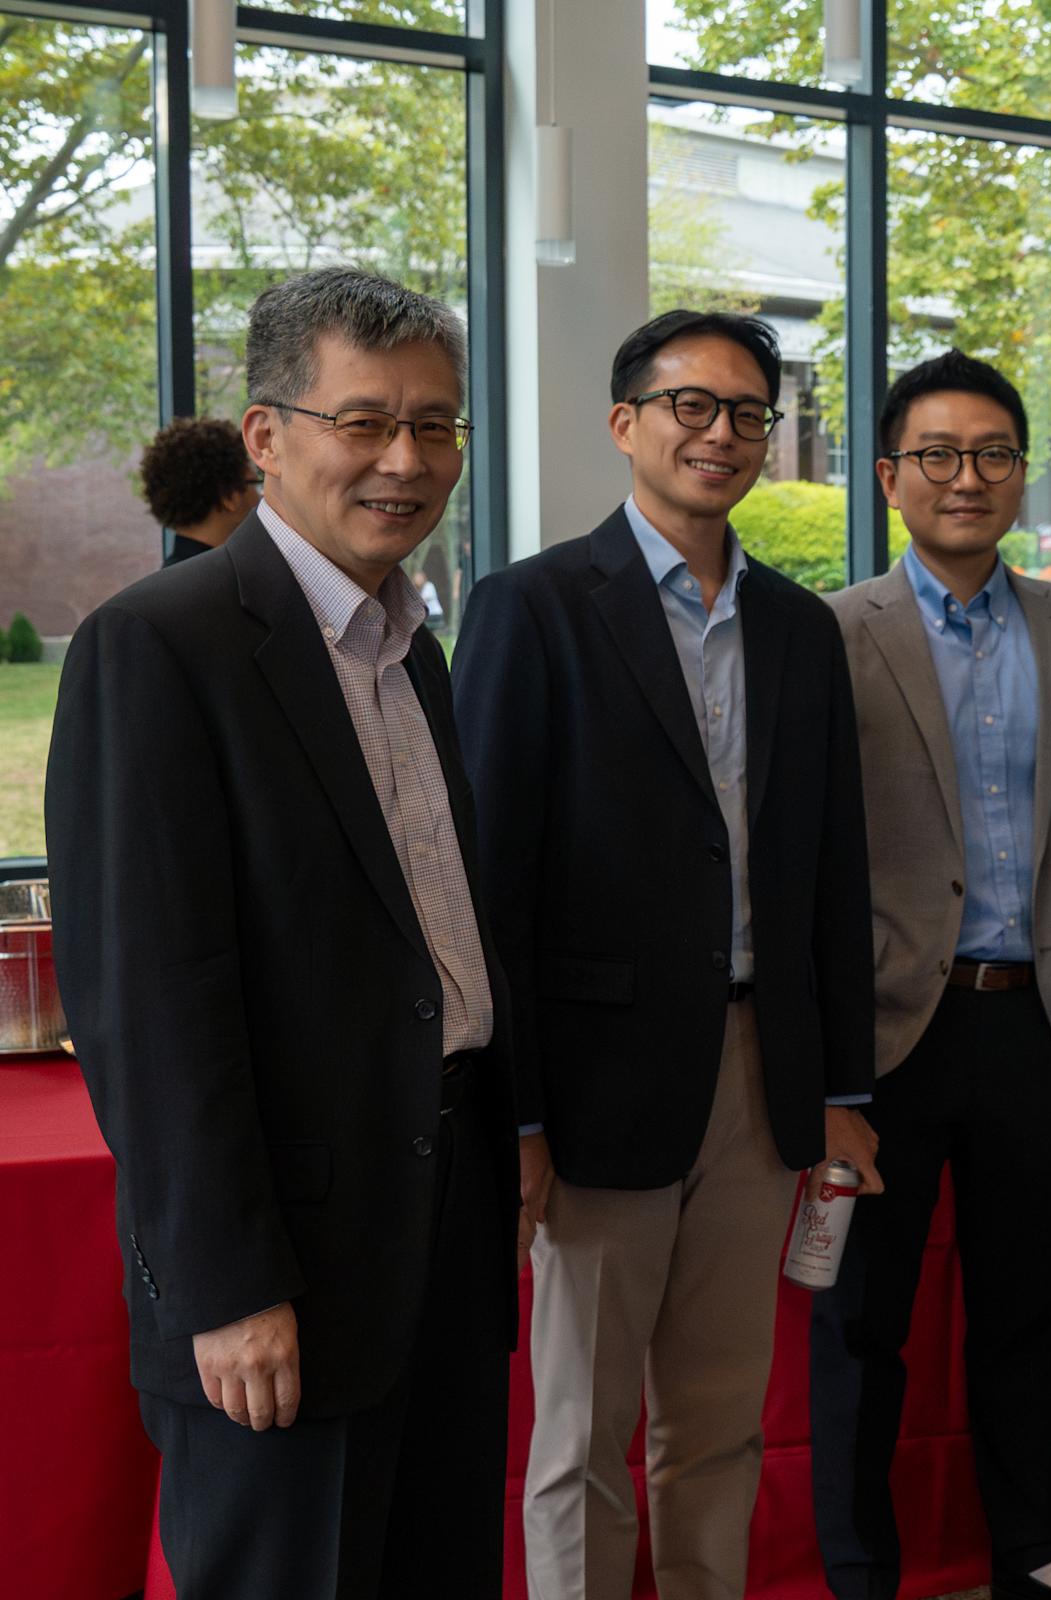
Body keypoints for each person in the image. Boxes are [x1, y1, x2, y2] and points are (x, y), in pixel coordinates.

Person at [48, 266, 518, 1596]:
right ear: (266, 436)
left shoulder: (414, 645)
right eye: (362, 421)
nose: (405, 460)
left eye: (436, 426)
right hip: (281, 1273)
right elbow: (149, 1003)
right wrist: (227, 1286)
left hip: (441, 1231)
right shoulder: (162, 646)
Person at [451, 308, 878, 1600]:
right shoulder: (531, 608)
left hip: (761, 1082)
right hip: (593, 1091)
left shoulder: (804, 630)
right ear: (626, 422)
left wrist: (844, 1094)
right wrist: (516, 1116)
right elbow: (490, 891)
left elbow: (834, 874)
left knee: (720, 1422)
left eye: (748, 412)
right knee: (581, 1434)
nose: (722, 434)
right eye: (692, 406)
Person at [812, 349, 1051, 1600]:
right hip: (888, 1042)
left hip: (1040, 1029)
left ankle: (1033, 1554)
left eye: (995, 454)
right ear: (893, 475)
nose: (969, 477)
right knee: (861, 1327)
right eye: (940, 455)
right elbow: (804, 861)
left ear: (1022, 474)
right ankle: (861, 1572)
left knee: (1027, 1319)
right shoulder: (835, 633)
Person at [139, 415, 262, 565]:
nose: (261, 496)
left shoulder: (168, 579)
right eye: (255, 484)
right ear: (230, 497)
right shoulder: (226, 582)